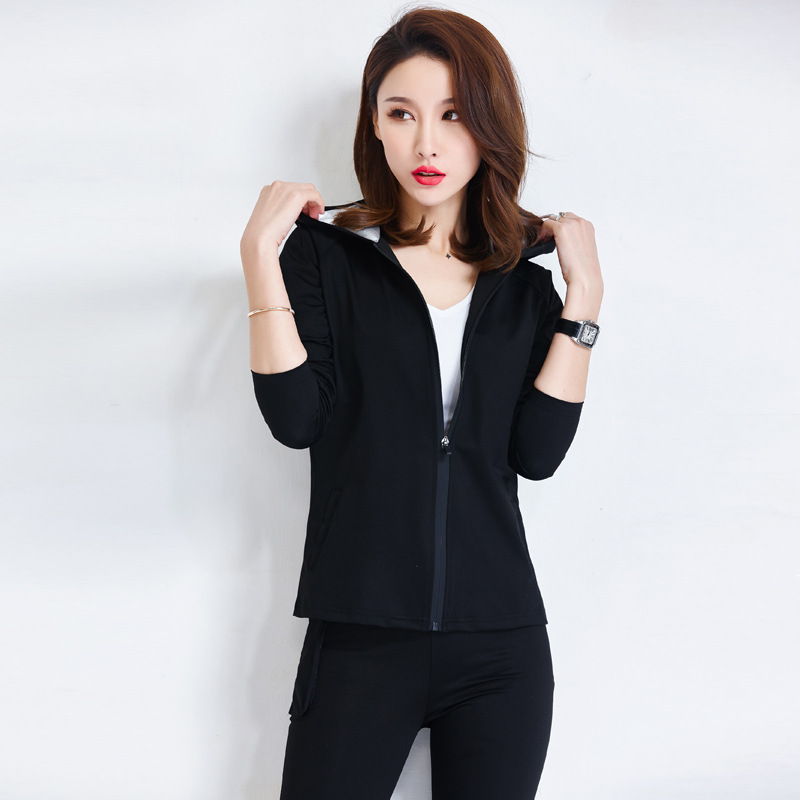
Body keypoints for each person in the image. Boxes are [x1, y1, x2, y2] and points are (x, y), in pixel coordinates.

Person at [240, 7, 603, 799]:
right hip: (361, 639)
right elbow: (295, 420)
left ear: (490, 127)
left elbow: (537, 455)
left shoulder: (524, 291)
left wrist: (583, 302)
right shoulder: (328, 261)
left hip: (502, 647)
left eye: (454, 115)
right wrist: (260, 257)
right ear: (374, 124)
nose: (427, 145)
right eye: (402, 114)